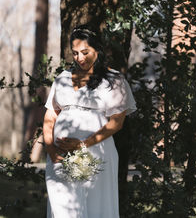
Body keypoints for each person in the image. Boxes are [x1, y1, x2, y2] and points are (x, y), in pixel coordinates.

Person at [43, 24, 137, 218]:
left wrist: (83, 145)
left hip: (97, 154)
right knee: (62, 208)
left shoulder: (113, 80)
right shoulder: (62, 78)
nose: (80, 58)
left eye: (85, 52)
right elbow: (50, 115)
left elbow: (116, 122)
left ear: (97, 50)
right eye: (75, 53)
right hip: (60, 155)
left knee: (96, 206)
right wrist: (51, 148)